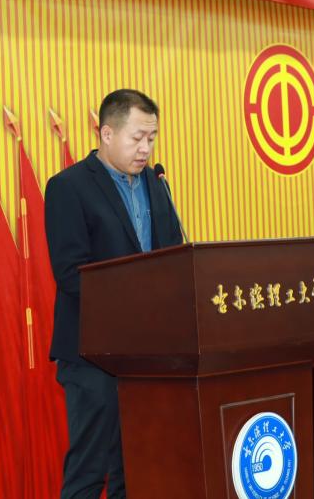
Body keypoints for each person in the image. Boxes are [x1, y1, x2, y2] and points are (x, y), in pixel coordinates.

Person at [45, 89, 183, 499]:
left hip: (146, 355)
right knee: (89, 472)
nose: (146, 148)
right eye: (137, 137)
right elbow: (71, 274)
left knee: (136, 469)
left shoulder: (156, 184)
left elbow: (172, 257)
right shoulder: (68, 187)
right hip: (92, 355)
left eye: (152, 137)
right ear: (107, 133)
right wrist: (138, 299)